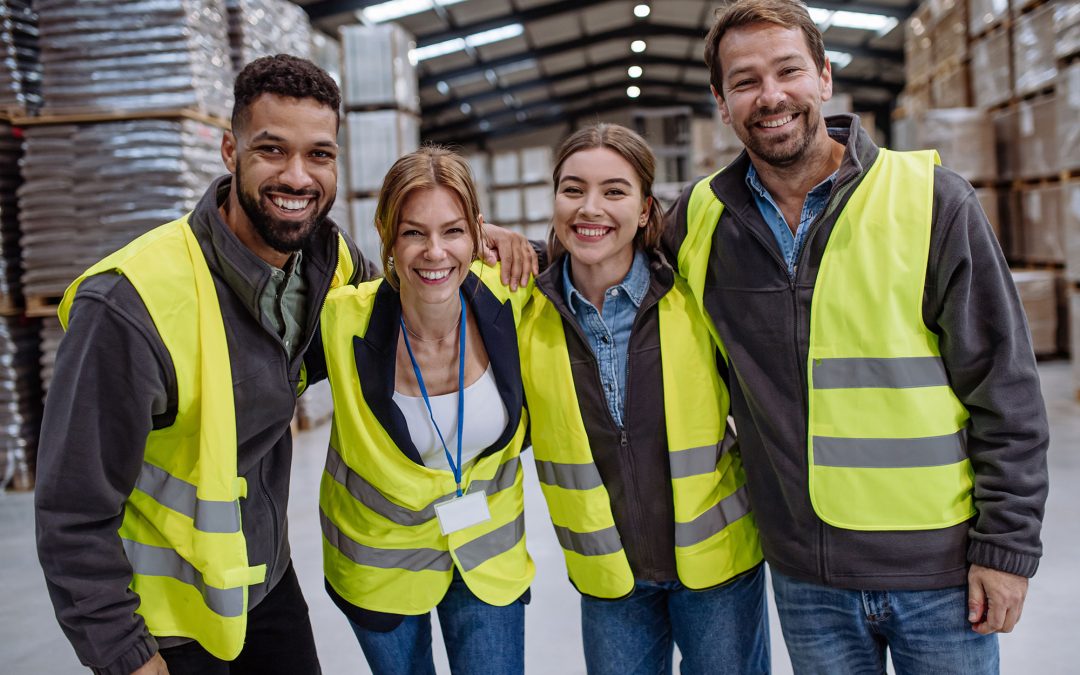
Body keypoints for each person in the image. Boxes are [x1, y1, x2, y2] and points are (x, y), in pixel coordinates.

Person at [34, 54, 535, 675]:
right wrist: (126, 654)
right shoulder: (132, 304)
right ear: (229, 151)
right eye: (272, 150)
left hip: (265, 583)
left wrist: (494, 244)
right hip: (167, 620)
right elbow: (72, 509)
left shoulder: (329, 265)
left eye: (319, 155)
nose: (298, 176)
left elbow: (415, 291)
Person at [664, 1, 1050, 672]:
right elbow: (602, 247)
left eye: (788, 71)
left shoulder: (932, 199)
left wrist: (1006, 549)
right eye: (745, 80)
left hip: (940, 573)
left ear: (824, 78)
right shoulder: (702, 219)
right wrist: (500, 241)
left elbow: (1006, 387)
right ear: (721, 103)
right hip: (807, 578)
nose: (771, 95)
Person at [517, 123, 768, 674]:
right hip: (611, 579)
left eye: (614, 191)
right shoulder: (525, 314)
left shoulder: (692, 296)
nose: (591, 208)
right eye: (573, 189)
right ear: (554, 200)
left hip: (717, 571)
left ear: (646, 208)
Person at [315, 146, 534, 675]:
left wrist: (516, 241)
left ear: (477, 234)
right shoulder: (342, 320)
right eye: (414, 232)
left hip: (488, 556)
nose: (435, 251)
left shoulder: (514, 300)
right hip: (380, 565)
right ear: (388, 238)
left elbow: (592, 255)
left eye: (452, 231)